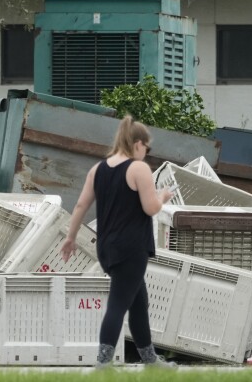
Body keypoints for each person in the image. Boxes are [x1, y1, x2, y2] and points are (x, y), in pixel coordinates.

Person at [61, 114, 174, 368]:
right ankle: (103, 364)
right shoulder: (138, 168)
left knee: (138, 301)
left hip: (107, 247)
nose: (147, 152)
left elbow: (80, 204)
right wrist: (163, 196)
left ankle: (150, 359)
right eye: (148, 147)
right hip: (131, 248)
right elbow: (150, 207)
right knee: (118, 304)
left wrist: (70, 238)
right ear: (138, 143)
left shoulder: (97, 169)